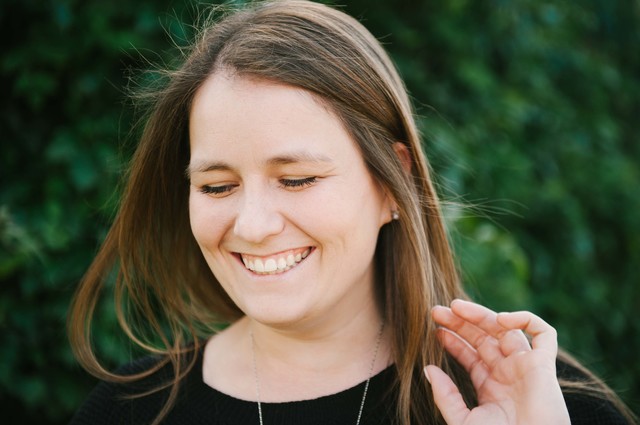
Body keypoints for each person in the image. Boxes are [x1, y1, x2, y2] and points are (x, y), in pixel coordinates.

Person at [68, 1, 636, 424]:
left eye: (297, 179)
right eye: (217, 187)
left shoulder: (538, 403)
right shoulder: (126, 411)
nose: (253, 225)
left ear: (394, 183)